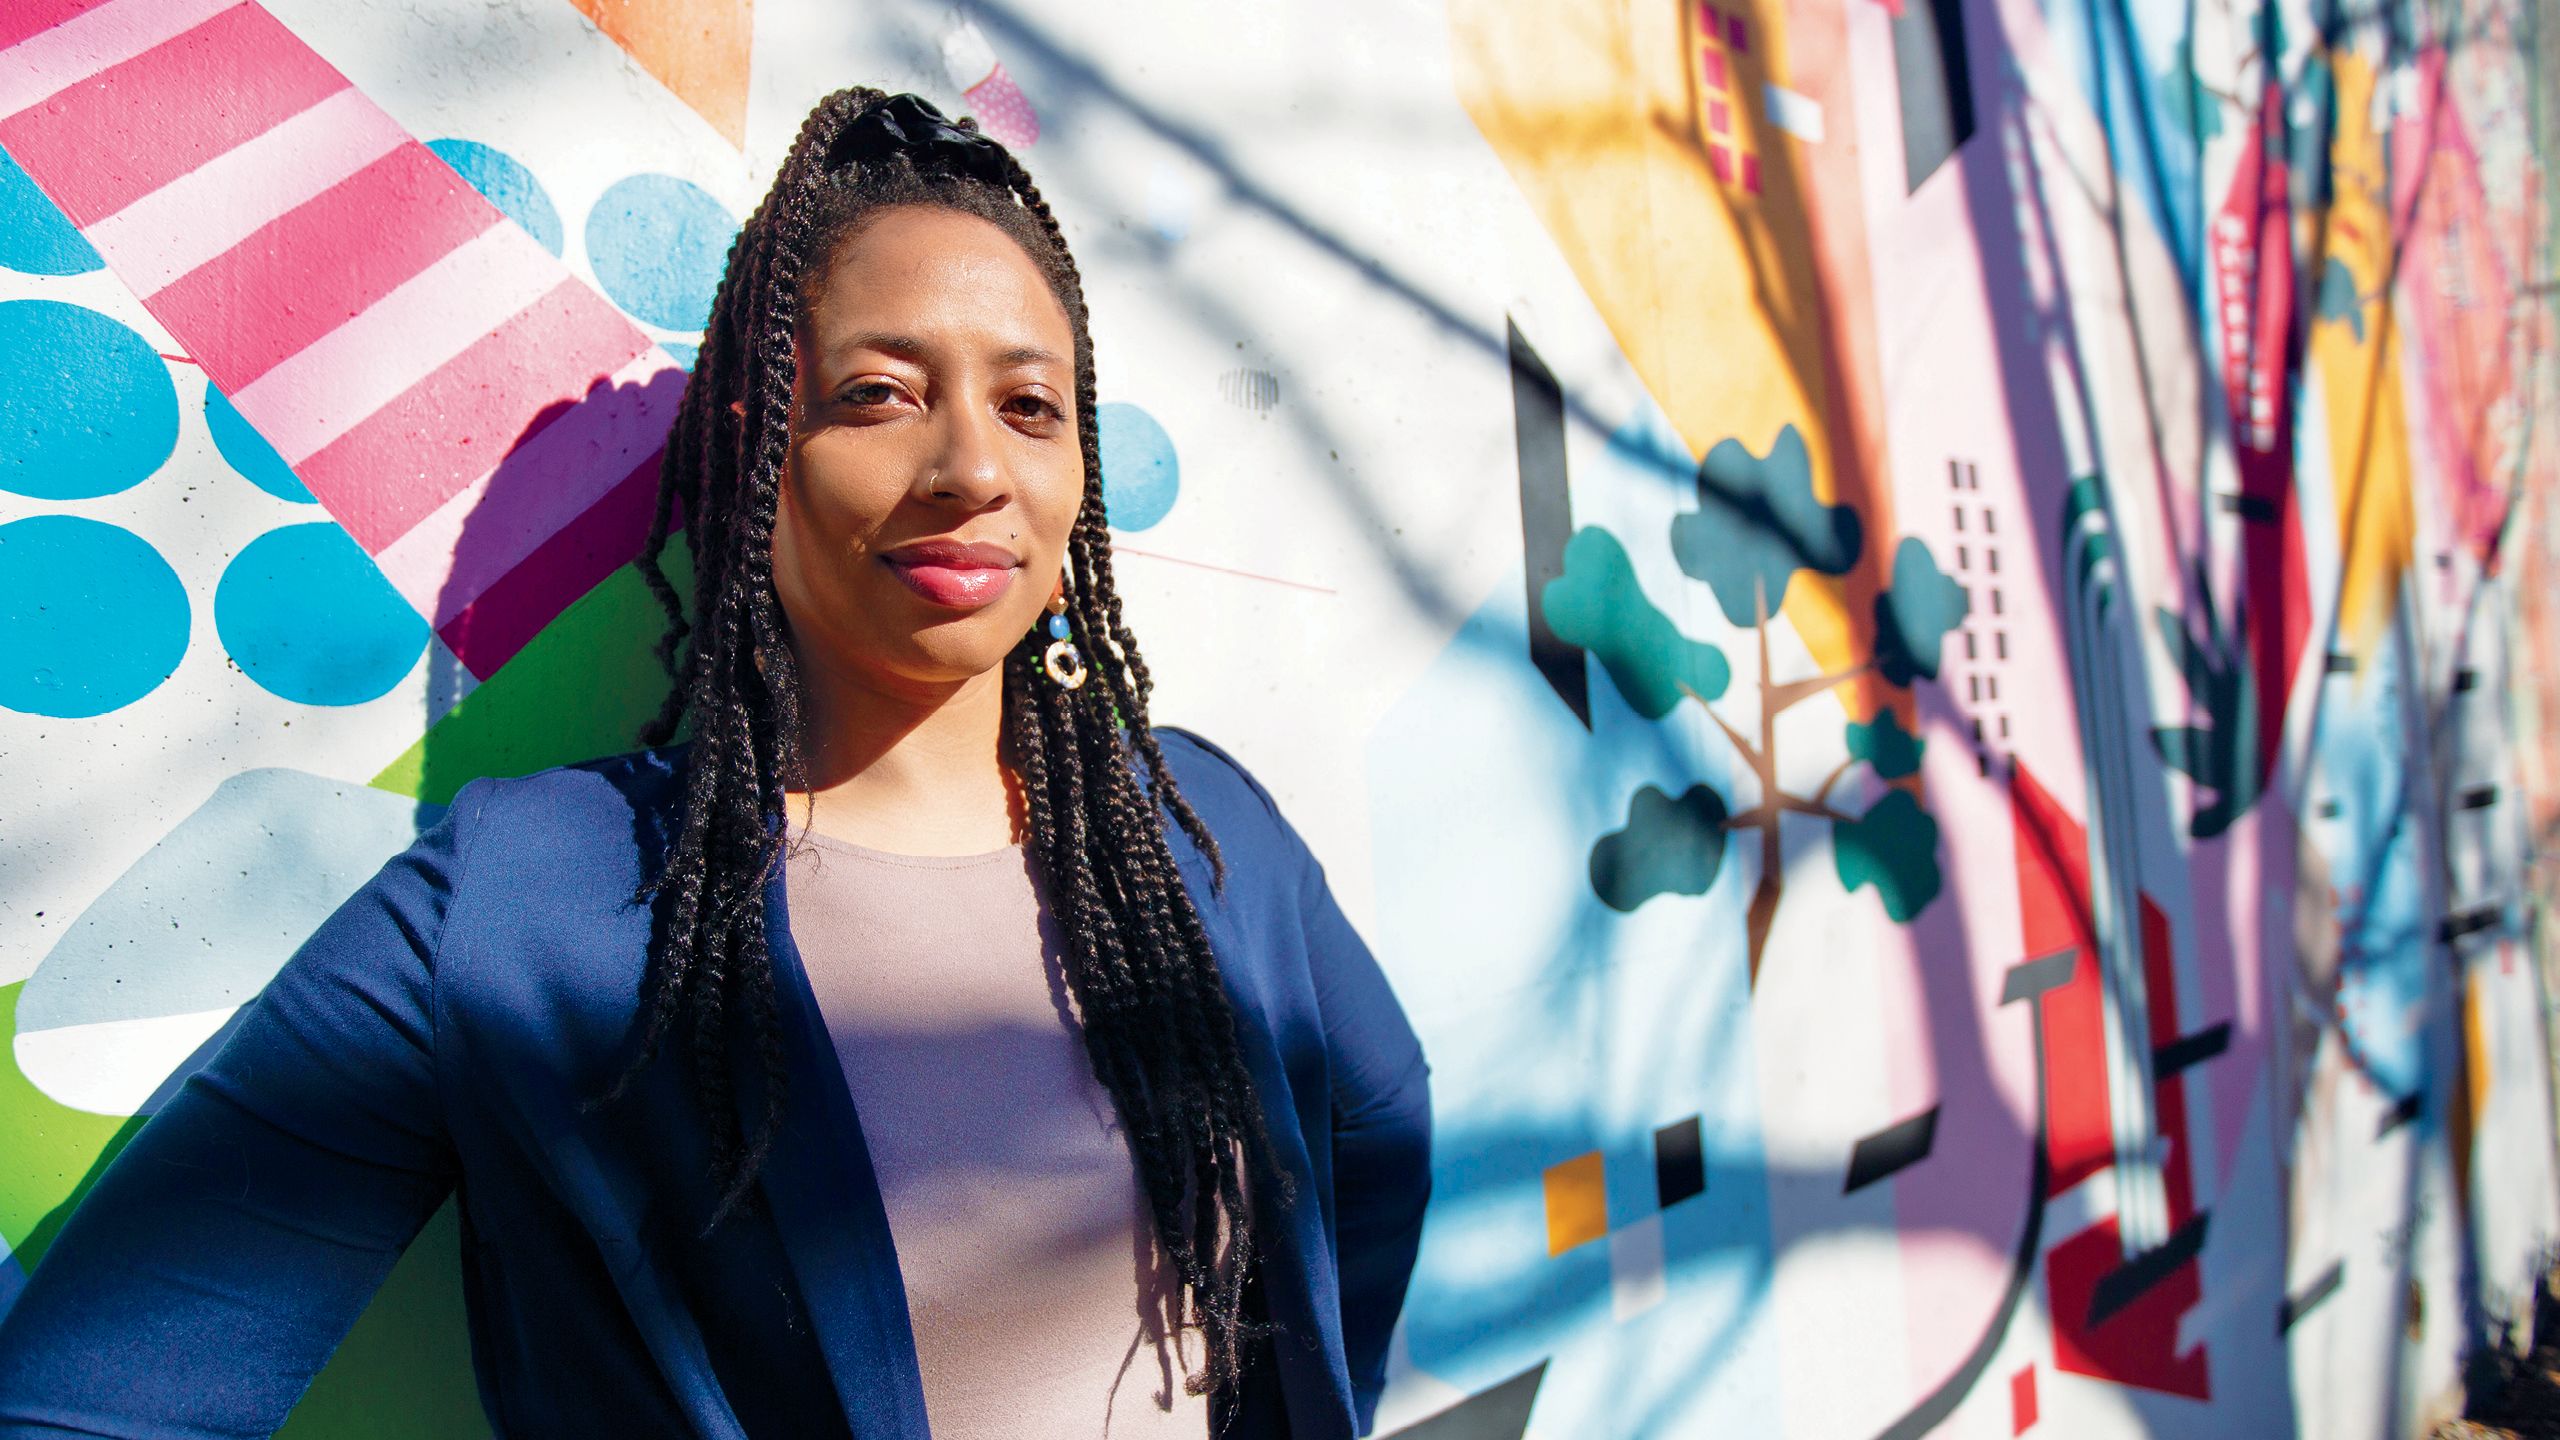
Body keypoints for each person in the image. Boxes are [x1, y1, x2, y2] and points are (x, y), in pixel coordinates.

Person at [0, 89, 1432, 1439]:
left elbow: (1377, 1132)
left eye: (1030, 407)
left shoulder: (1200, 831)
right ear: (760, 449)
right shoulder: (528, 909)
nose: (973, 469)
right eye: (881, 394)